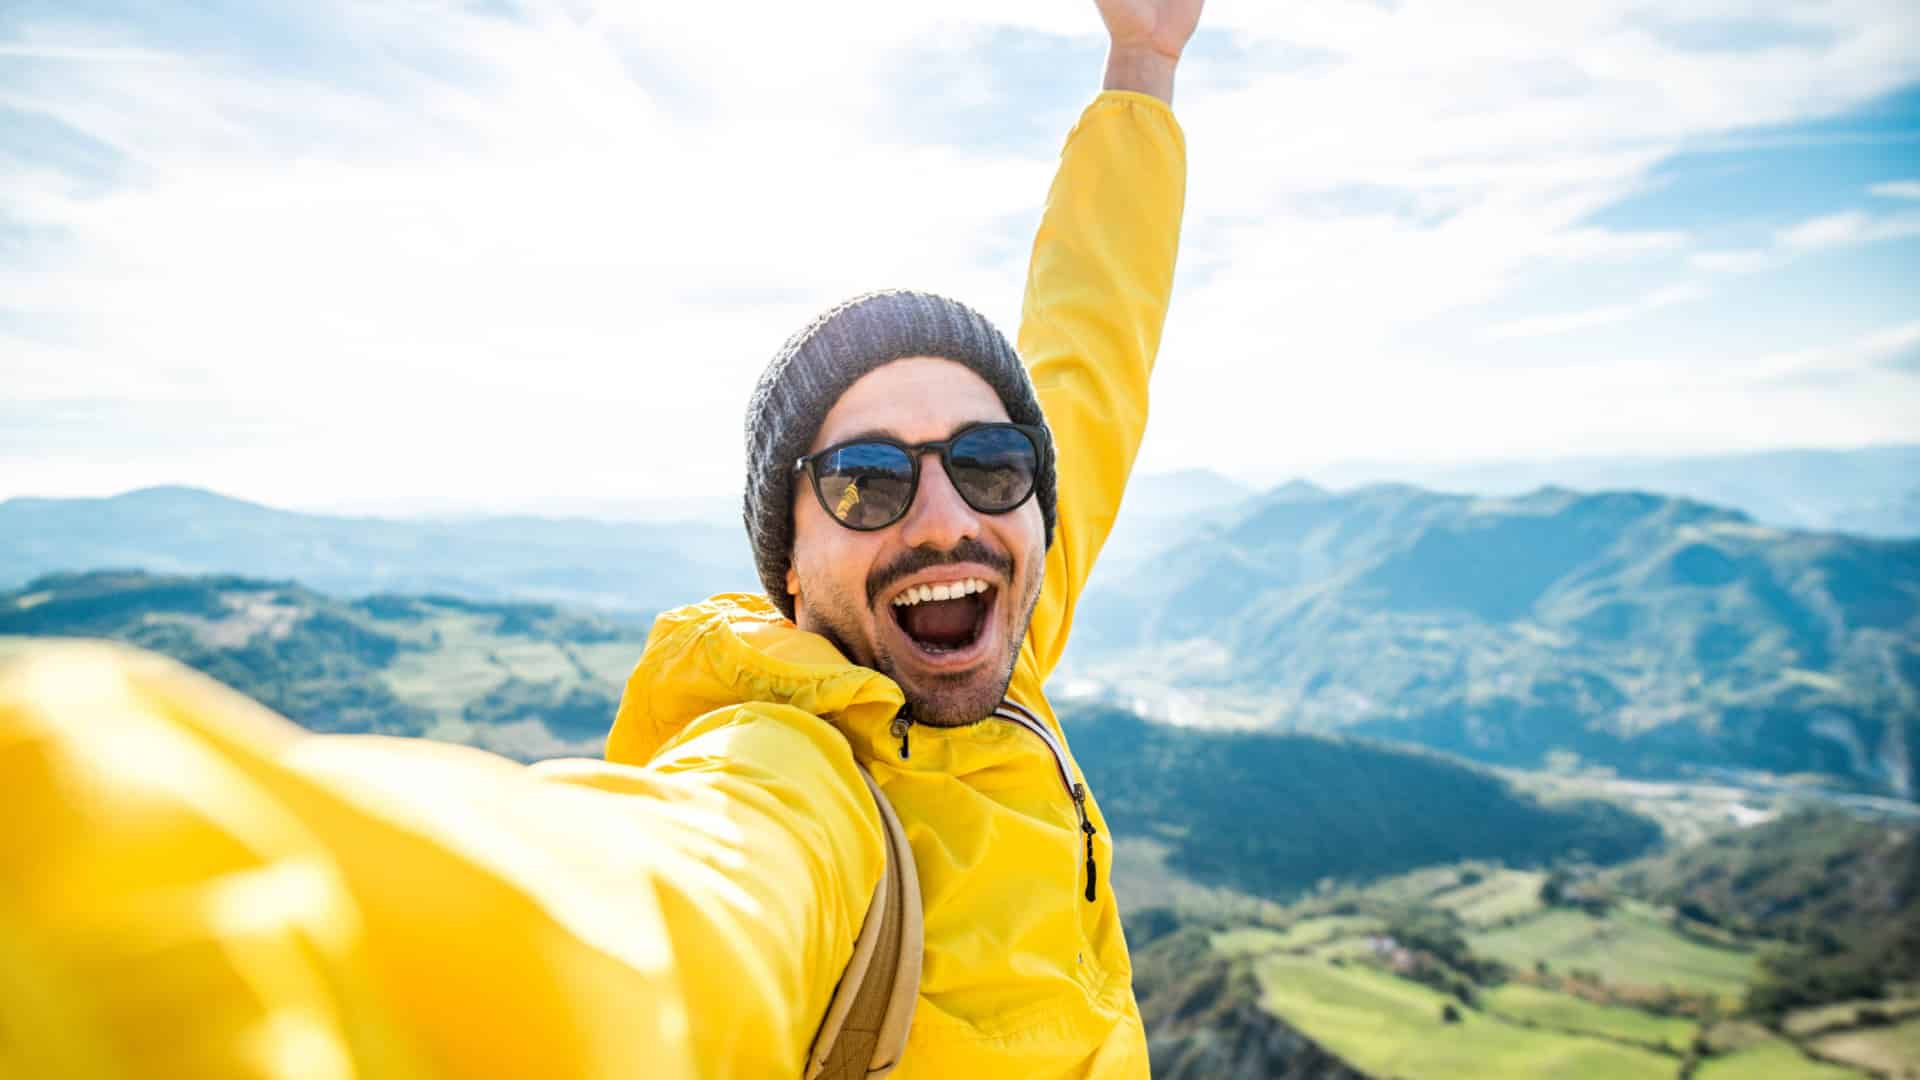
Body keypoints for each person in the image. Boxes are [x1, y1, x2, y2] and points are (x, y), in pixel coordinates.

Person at [0, 1, 1198, 1076]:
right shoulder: (800, 788)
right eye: (867, 481)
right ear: (786, 569)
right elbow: (640, 915)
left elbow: (1090, 354)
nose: (947, 518)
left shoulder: (1005, 634)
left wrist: (1139, 64)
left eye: (989, 463)